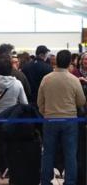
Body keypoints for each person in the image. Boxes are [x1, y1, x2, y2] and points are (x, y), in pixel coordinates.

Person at [38, 50, 86, 185]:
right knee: (70, 154)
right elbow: (81, 102)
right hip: (69, 120)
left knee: (48, 153)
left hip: (50, 119)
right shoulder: (74, 80)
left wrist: (46, 113)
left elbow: (39, 102)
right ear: (70, 62)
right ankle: (70, 181)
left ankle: (46, 181)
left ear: (56, 61)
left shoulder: (46, 79)